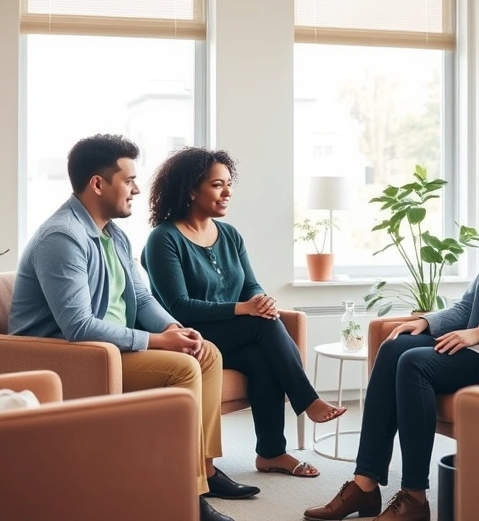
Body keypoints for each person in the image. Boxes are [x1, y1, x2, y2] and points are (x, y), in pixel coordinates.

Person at [305, 158, 479, 521]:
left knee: (414, 363)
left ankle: (414, 496)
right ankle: (364, 485)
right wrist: (425, 322)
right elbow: (468, 305)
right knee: (394, 347)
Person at [9, 134, 256, 521]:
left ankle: (203, 472)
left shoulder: (114, 235)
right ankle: (184, 496)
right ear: (98, 184)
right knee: (182, 366)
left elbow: (141, 299)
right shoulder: (63, 237)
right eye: (129, 180)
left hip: (112, 350)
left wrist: (176, 328)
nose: (137, 189)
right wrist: (159, 341)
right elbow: (77, 326)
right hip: (67, 357)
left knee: (205, 353)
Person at [141, 147, 347, 479]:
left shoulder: (230, 235)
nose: (227, 192)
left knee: (262, 355)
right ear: (191, 190)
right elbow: (177, 305)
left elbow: (250, 284)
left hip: (235, 332)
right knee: (262, 327)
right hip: (189, 334)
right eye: (217, 185)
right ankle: (308, 400)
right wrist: (245, 309)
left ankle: (271, 454)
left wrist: (260, 300)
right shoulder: (164, 239)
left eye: (228, 184)